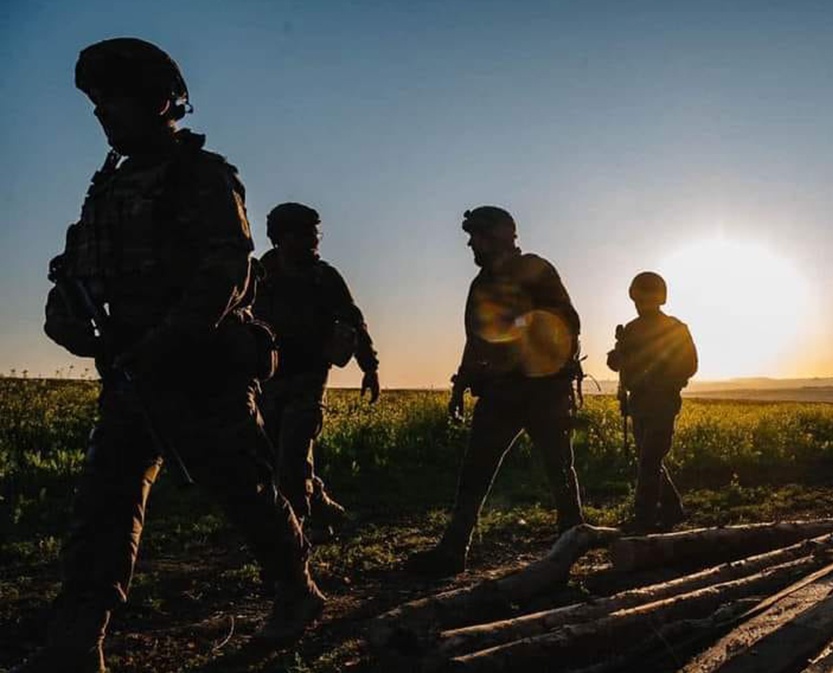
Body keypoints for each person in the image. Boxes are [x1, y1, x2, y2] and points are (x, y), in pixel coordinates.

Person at [0, 38, 323, 673]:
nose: (102, 116)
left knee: (243, 487)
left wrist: (168, 339)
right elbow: (76, 269)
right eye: (95, 105)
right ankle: (76, 640)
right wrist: (65, 317)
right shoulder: (108, 188)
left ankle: (295, 588)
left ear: (156, 102)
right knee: (103, 502)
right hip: (129, 374)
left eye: (111, 102)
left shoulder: (202, 175)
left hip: (200, 369)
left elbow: (228, 271)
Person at [407, 206, 585, 578]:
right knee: (475, 469)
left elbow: (568, 321)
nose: (471, 242)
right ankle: (453, 550)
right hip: (500, 391)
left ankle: (573, 545)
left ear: (500, 235)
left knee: (559, 470)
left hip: (544, 390)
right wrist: (460, 384)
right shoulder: (481, 284)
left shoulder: (536, 269)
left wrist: (515, 327)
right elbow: (475, 339)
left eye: (478, 235)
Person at [253, 202, 380, 542]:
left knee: (292, 457)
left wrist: (369, 367)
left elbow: (354, 320)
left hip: (308, 379)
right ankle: (325, 508)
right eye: (305, 233)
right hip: (268, 380)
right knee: (273, 457)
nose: (314, 240)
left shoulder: (325, 277)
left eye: (315, 232)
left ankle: (299, 533)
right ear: (281, 237)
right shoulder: (261, 273)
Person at [607, 272, 698, 533]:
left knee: (649, 460)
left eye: (641, 297)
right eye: (637, 298)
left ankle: (643, 518)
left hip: (662, 403)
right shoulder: (632, 329)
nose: (638, 303)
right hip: (639, 403)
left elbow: (689, 365)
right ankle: (672, 509)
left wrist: (657, 376)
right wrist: (618, 355)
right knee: (649, 460)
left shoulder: (675, 328)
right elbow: (618, 363)